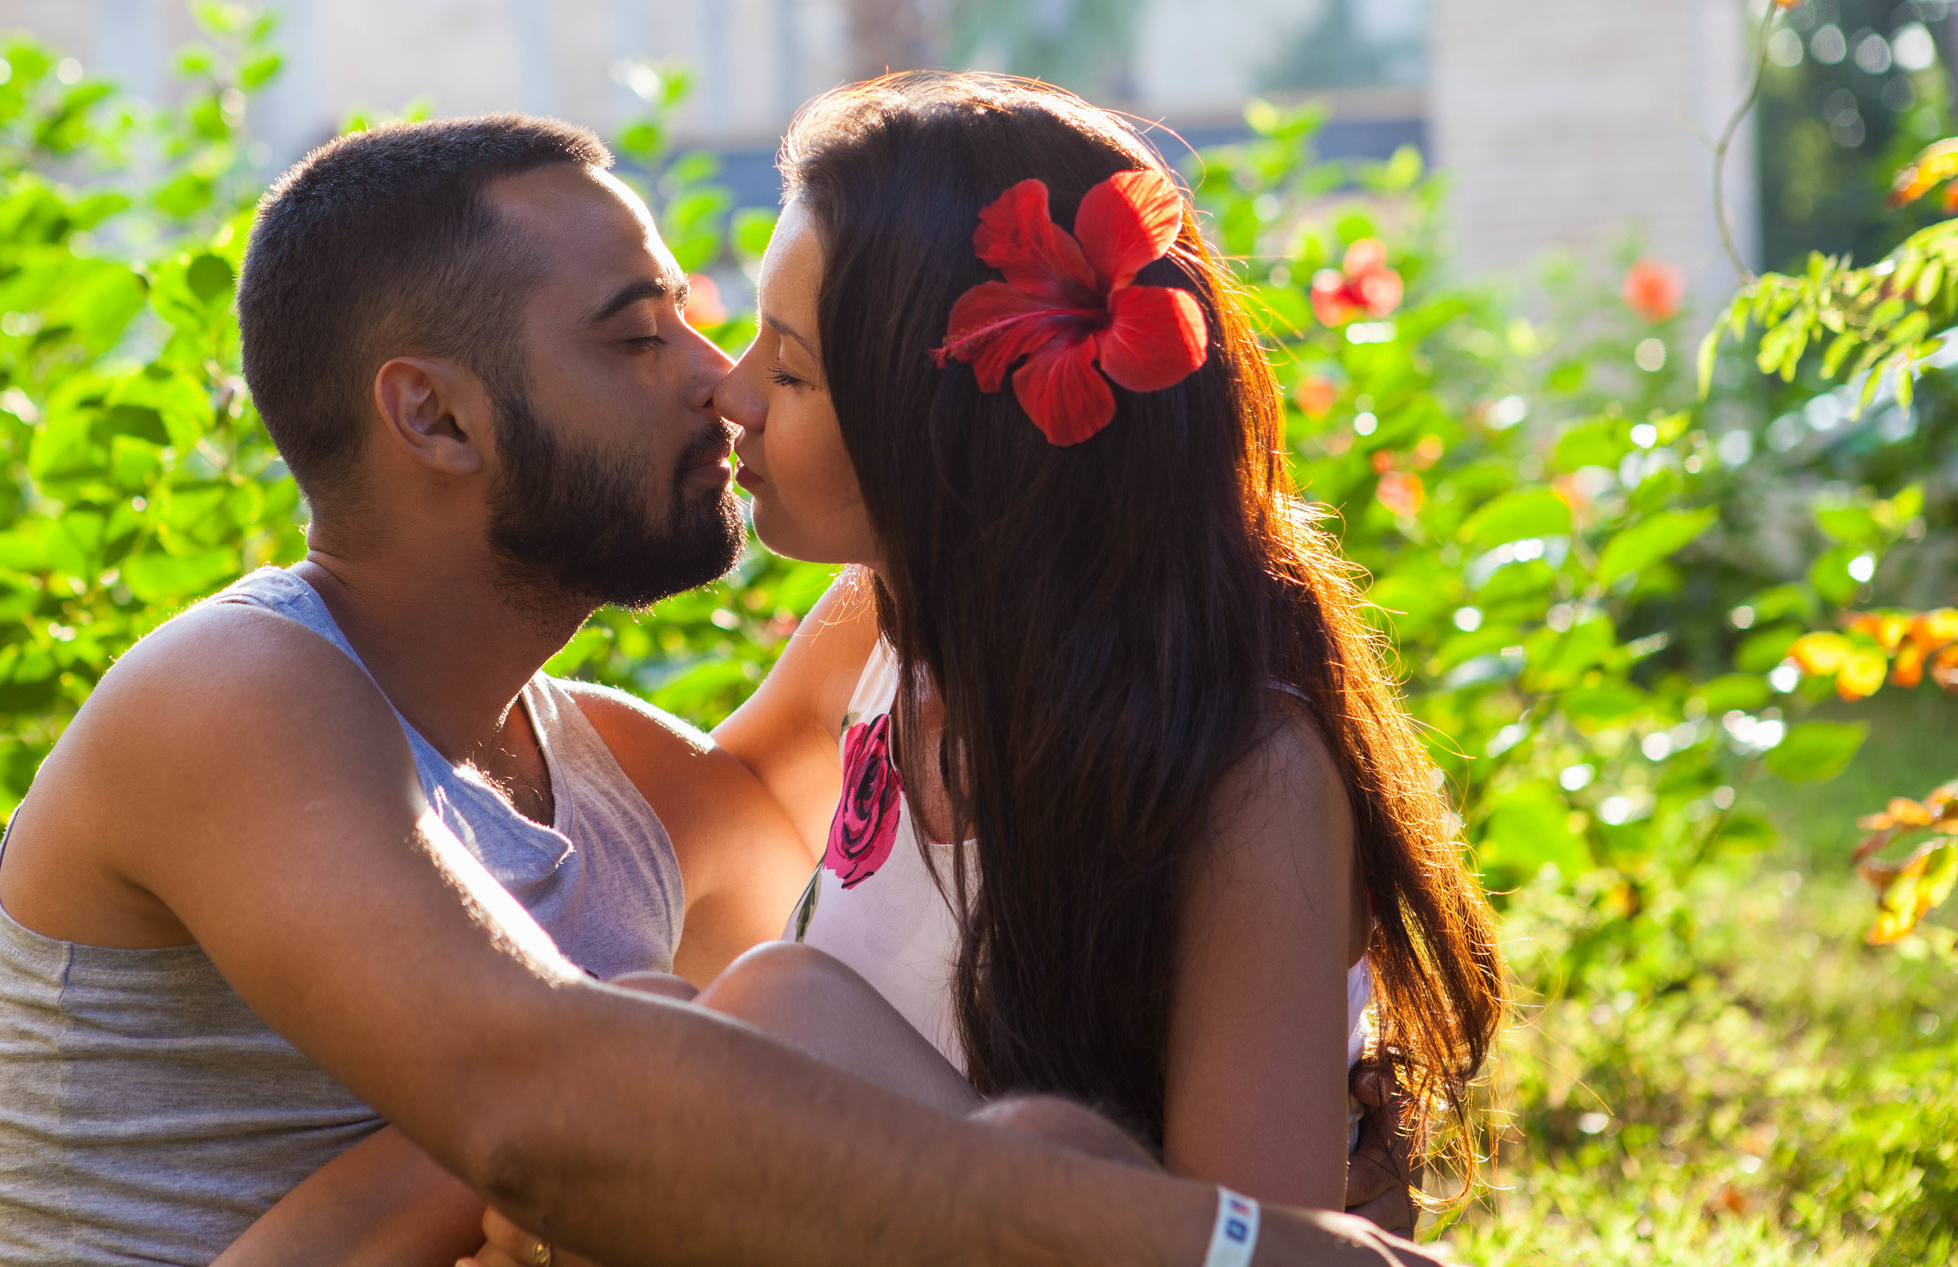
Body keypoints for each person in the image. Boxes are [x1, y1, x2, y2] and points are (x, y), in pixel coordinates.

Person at [0, 113, 1452, 1267]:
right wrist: (1238, 1245)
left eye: (731, 335)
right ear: (435, 414)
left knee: (783, 1026)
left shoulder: (608, 777)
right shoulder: (233, 695)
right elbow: (539, 1109)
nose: (716, 378)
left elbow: (958, 628)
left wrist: (1005, 461)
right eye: (636, 333)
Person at [454, 73, 1503, 1267]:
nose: (731, 392)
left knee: (768, 1018)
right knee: (633, 1048)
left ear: (945, 428)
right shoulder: (886, 635)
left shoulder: (1238, 776)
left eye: (788, 370)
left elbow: (1255, 1242)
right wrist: (409, 700)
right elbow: (720, 810)